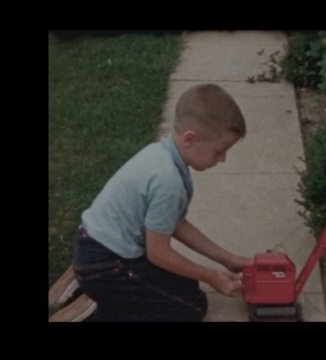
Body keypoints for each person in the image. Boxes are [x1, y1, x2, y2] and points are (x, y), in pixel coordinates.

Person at [73, 83, 250, 322]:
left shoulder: (163, 154)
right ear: (190, 139)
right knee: (191, 305)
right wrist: (212, 276)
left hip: (98, 252)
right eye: (219, 151)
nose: (223, 159)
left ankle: (112, 301)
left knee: (186, 285)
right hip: (106, 268)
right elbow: (158, 253)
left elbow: (174, 223)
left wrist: (226, 259)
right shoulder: (167, 181)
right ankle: (105, 314)